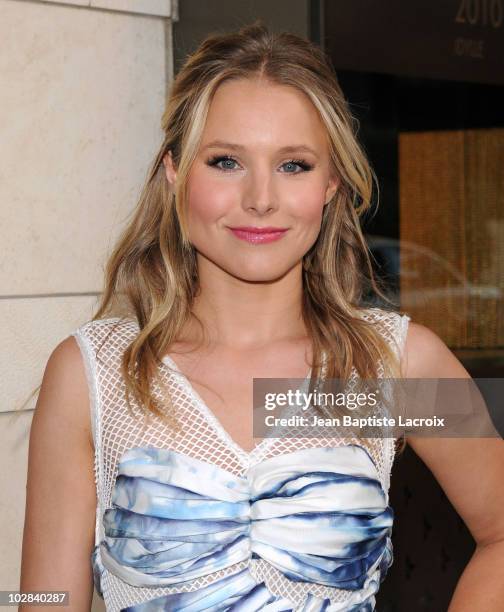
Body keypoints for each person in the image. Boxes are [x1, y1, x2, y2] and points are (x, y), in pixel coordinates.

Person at [20, 21, 504, 612]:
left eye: (293, 165)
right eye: (225, 161)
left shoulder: (396, 368)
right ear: (175, 173)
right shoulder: (95, 374)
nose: (260, 198)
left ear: (330, 184)